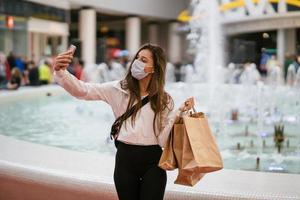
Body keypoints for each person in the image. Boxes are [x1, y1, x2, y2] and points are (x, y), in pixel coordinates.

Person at [53, 43, 194, 200]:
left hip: (153, 162)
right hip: (125, 161)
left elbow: (162, 140)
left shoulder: (163, 100)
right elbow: (83, 90)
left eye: (144, 60)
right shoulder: (118, 89)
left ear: (154, 68)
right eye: (137, 58)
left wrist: (177, 114)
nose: (137, 62)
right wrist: (61, 72)